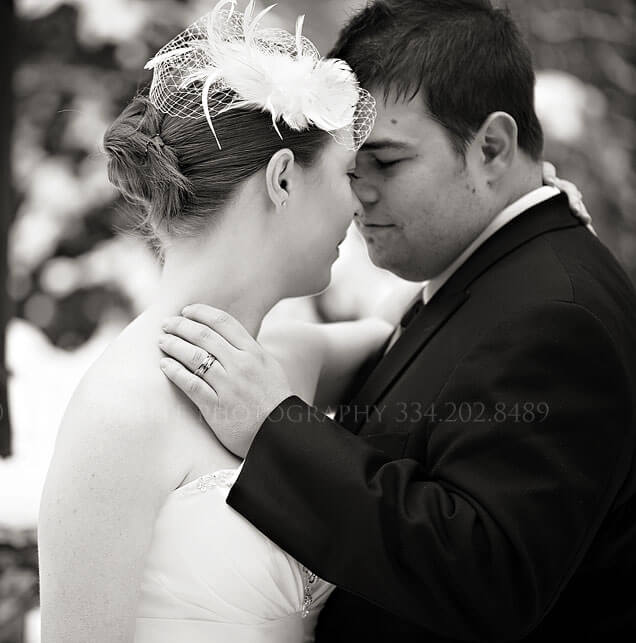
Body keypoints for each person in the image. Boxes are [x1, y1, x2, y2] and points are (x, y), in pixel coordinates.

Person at [158, 0, 636, 641]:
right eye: (351, 164)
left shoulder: (555, 315)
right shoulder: (490, 270)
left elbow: (486, 575)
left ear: (491, 147)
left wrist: (274, 431)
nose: (358, 192)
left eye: (387, 161)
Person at [37, 2, 393, 641]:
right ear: (283, 180)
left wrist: (522, 218)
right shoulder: (121, 411)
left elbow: (408, 332)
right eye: (348, 172)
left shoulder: (283, 360)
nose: (362, 200)